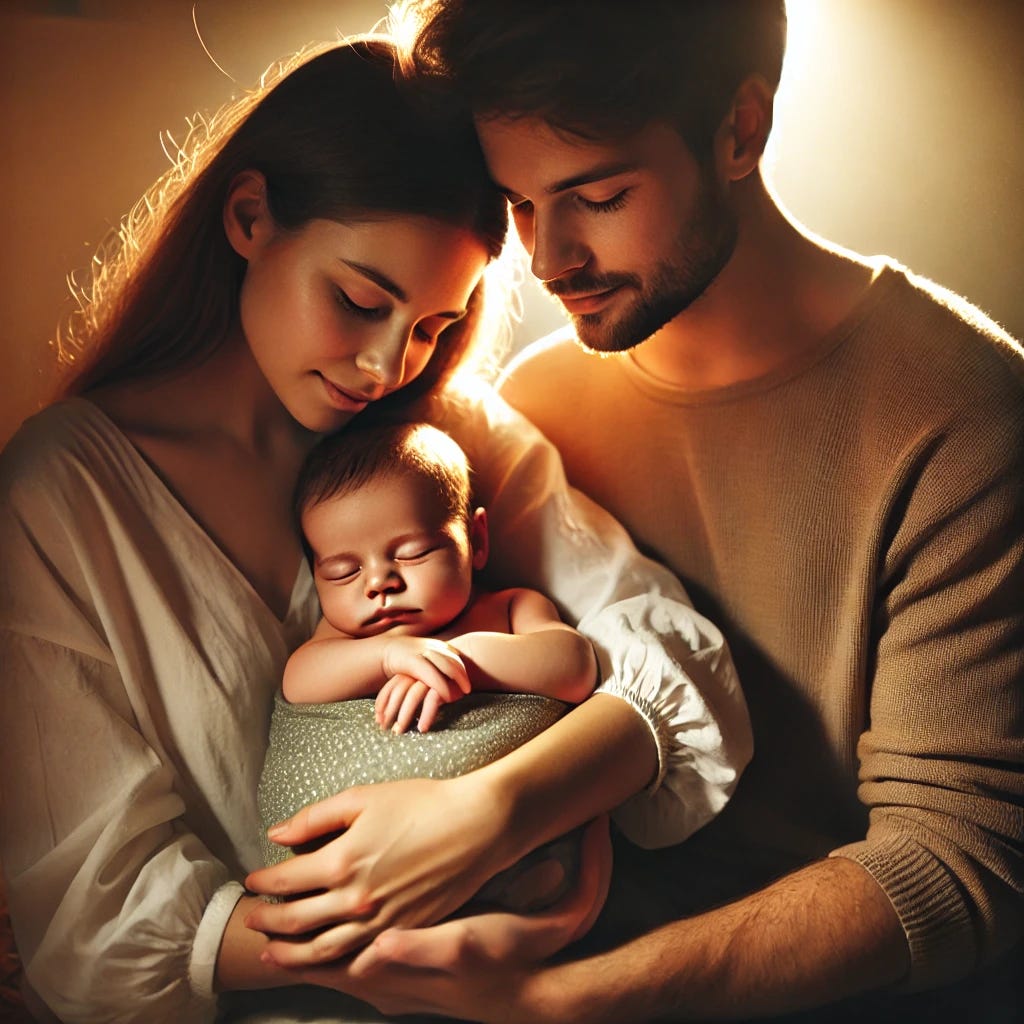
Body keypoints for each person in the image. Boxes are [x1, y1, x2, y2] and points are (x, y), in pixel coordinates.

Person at [0, 28, 752, 1024]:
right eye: (360, 301)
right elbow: (96, 909)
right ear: (249, 217)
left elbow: (673, 659)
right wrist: (377, 934)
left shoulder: (444, 434)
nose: (388, 367)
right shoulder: (62, 495)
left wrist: (493, 819)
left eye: (437, 326)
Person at [295, 1, 1022, 1021]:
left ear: (739, 131)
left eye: (595, 196)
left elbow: (956, 862)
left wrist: (551, 1002)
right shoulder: (525, 419)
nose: (548, 261)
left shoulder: (963, 414)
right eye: (518, 205)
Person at [259, 418, 597, 914]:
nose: (379, 583)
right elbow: (299, 680)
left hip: (490, 838)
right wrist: (387, 656)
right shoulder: (343, 636)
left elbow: (573, 664)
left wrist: (462, 661)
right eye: (343, 570)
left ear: (476, 541)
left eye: (413, 553)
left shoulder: (508, 608)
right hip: (357, 855)